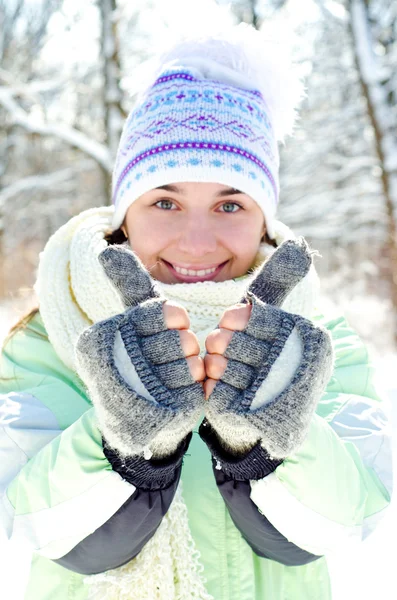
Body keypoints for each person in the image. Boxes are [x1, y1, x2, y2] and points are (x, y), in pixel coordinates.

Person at [0, 24, 392, 600]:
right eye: (165, 201)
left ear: (266, 222)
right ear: (124, 213)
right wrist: (129, 446)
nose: (196, 243)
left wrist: (263, 442)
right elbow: (31, 525)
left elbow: (337, 526)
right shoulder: (50, 336)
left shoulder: (316, 343)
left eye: (230, 203)